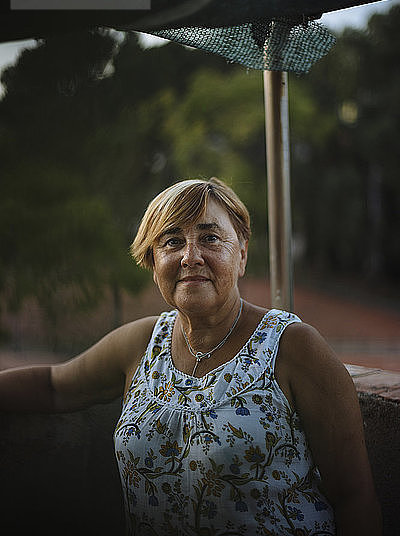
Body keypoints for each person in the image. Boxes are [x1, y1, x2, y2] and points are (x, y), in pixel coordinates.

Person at [1, 177, 381, 536]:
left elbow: (354, 498)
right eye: (171, 242)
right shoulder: (140, 343)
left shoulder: (294, 348)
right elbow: (53, 386)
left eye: (210, 238)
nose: (190, 257)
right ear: (153, 262)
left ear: (243, 254)